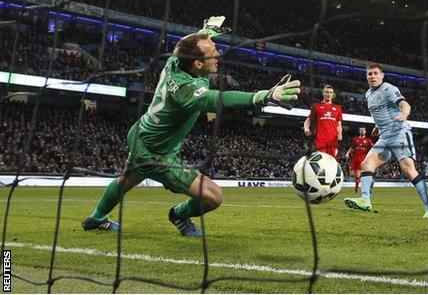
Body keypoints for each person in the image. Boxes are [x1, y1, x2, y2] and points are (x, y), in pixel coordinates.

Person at [81, 18, 301, 237]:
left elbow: (184, 43)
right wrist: (264, 96)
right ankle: (178, 215)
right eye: (213, 52)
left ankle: (96, 218)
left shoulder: (176, 61)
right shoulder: (186, 91)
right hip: (157, 154)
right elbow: (219, 99)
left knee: (127, 180)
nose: (218, 54)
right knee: (213, 197)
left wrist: (207, 31)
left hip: (142, 134)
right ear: (197, 64)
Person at [343, 64, 428, 218]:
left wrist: (404, 115)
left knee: (408, 169)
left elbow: (404, 105)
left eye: (375, 73)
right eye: (369, 74)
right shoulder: (368, 94)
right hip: (385, 136)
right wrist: (376, 127)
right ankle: (365, 200)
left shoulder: (388, 89)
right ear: (366, 77)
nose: (372, 76)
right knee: (367, 164)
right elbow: (381, 113)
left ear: (382, 75)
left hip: (399, 133)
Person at [303, 84, 343, 157]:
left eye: (331, 92)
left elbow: (339, 124)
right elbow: (308, 120)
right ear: (323, 93)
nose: (329, 94)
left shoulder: (338, 108)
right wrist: (306, 128)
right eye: (327, 92)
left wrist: (340, 133)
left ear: (333, 94)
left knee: (332, 160)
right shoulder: (316, 106)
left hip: (333, 140)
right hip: (320, 139)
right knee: (321, 159)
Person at [344, 126, 373, 193]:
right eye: (360, 130)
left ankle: (356, 189)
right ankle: (363, 178)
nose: (362, 131)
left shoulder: (368, 141)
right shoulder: (355, 139)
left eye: (363, 130)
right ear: (359, 131)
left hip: (362, 160)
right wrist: (347, 153)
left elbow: (372, 149)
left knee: (357, 175)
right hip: (354, 159)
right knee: (351, 174)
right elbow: (352, 148)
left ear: (365, 132)